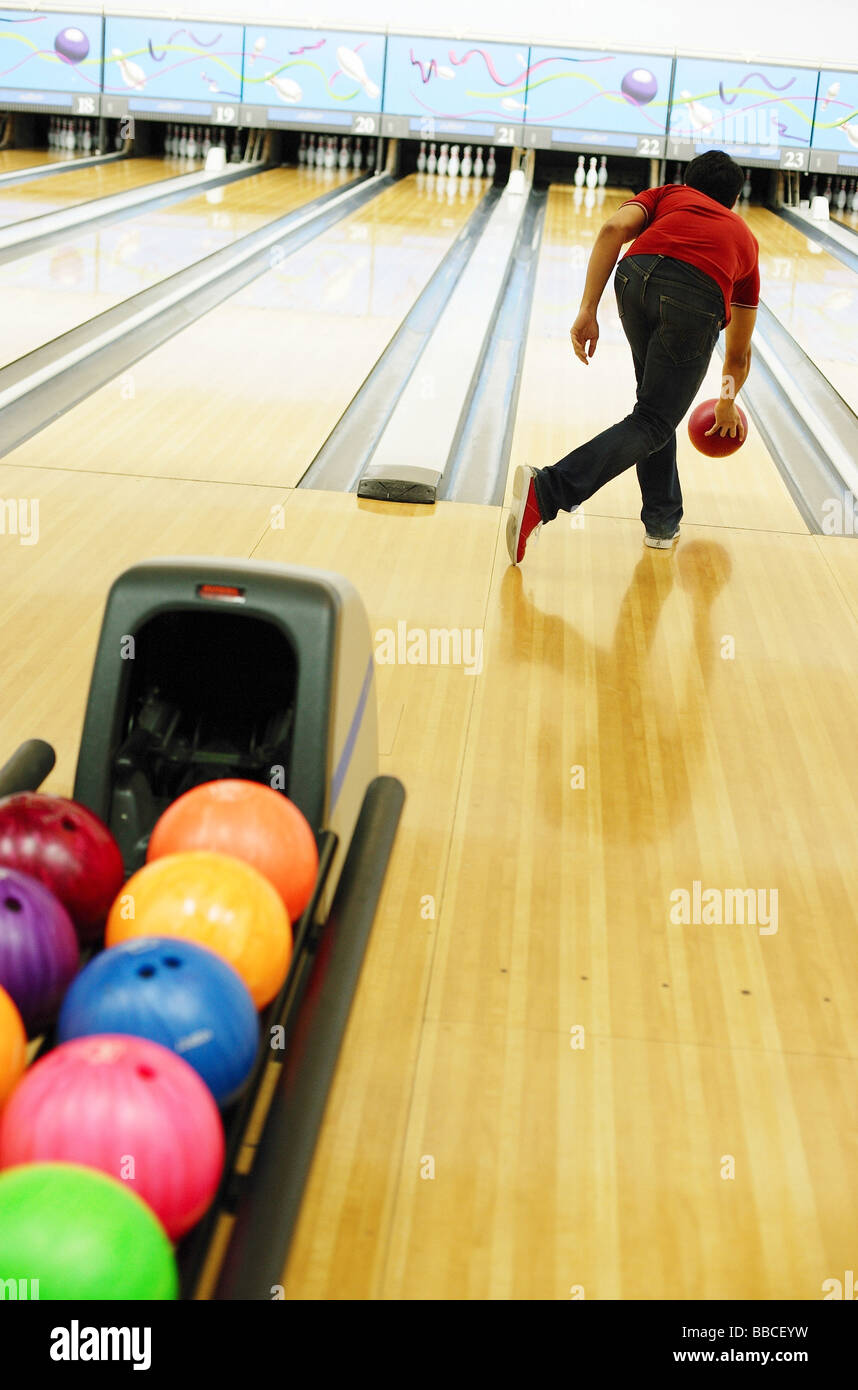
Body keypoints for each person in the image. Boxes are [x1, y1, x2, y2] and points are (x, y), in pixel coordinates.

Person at [508, 150, 759, 563]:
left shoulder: (667, 195)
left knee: (654, 410)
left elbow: (612, 229)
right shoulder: (745, 240)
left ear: (687, 181)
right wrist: (727, 402)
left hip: (633, 279)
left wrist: (588, 309)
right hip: (695, 297)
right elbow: (738, 356)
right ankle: (547, 491)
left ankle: (662, 521)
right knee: (655, 419)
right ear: (734, 200)